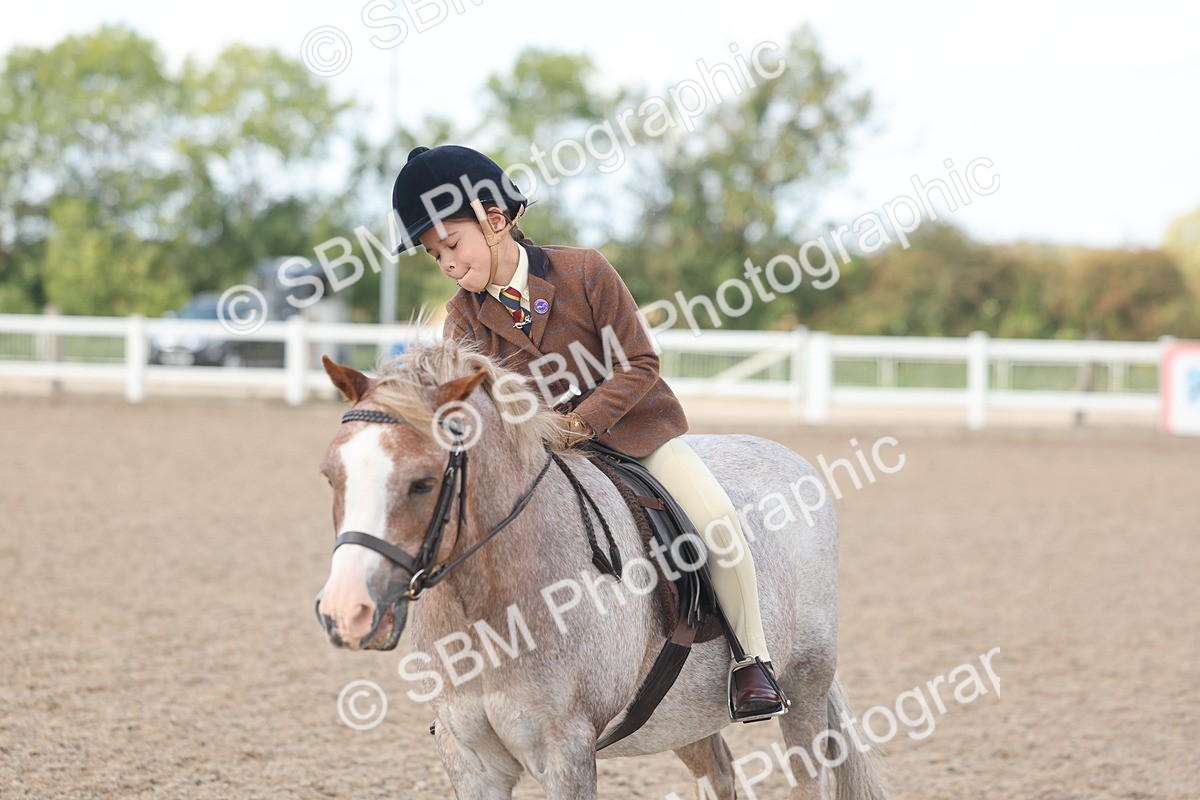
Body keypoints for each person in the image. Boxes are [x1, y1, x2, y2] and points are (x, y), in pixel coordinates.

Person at [390, 144, 787, 722]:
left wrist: (580, 424)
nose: (447, 264)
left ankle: (752, 660)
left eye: (451, 245)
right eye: (434, 256)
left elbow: (639, 363)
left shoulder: (584, 271)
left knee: (719, 525)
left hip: (635, 436)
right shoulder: (463, 316)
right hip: (545, 461)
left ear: (495, 220)